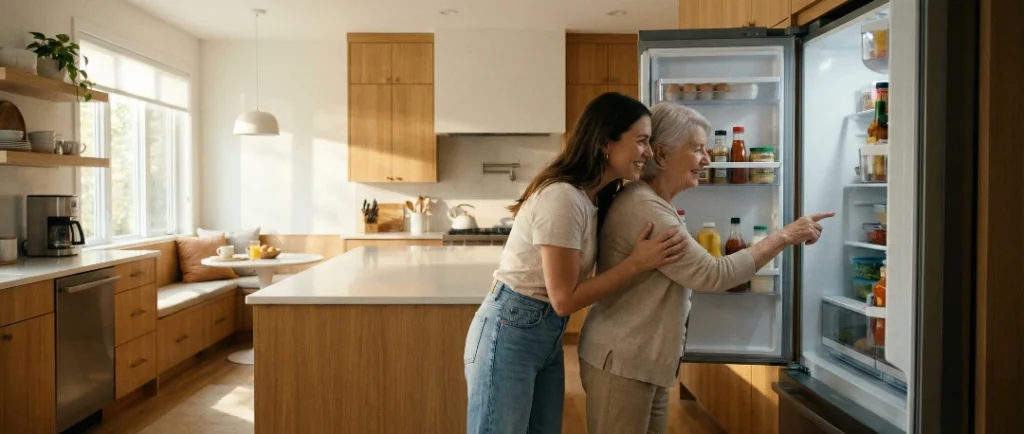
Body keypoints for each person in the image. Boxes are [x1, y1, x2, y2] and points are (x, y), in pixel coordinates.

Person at [577, 102, 835, 434]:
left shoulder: (654, 202)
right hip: (623, 361)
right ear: (663, 155)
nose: (707, 160)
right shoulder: (646, 208)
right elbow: (715, 274)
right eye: (697, 149)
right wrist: (784, 236)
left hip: (641, 362)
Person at [463, 93, 688, 434]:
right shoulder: (563, 198)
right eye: (641, 141)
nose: (647, 152)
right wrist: (636, 264)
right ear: (605, 143)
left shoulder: (592, 197)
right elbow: (564, 298)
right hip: (510, 330)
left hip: (545, 332)